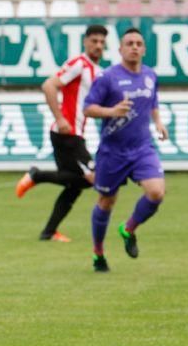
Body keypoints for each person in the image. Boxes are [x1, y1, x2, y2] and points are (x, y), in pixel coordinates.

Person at [83, 27, 168, 272]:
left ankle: (128, 229)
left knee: (156, 193)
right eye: (129, 43)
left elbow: (152, 102)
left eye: (138, 43)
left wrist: (158, 122)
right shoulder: (108, 77)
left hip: (142, 148)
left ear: (143, 49)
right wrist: (111, 111)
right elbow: (88, 108)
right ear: (120, 49)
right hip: (112, 151)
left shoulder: (151, 76)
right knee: (106, 201)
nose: (134, 47)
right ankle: (98, 253)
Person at [15, 25, 107, 242]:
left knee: (74, 185)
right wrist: (59, 117)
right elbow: (49, 85)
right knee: (91, 178)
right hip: (67, 133)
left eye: (102, 42)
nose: (98, 46)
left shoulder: (97, 71)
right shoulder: (79, 64)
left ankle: (48, 232)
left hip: (75, 133)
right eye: (94, 41)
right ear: (85, 42)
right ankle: (37, 175)